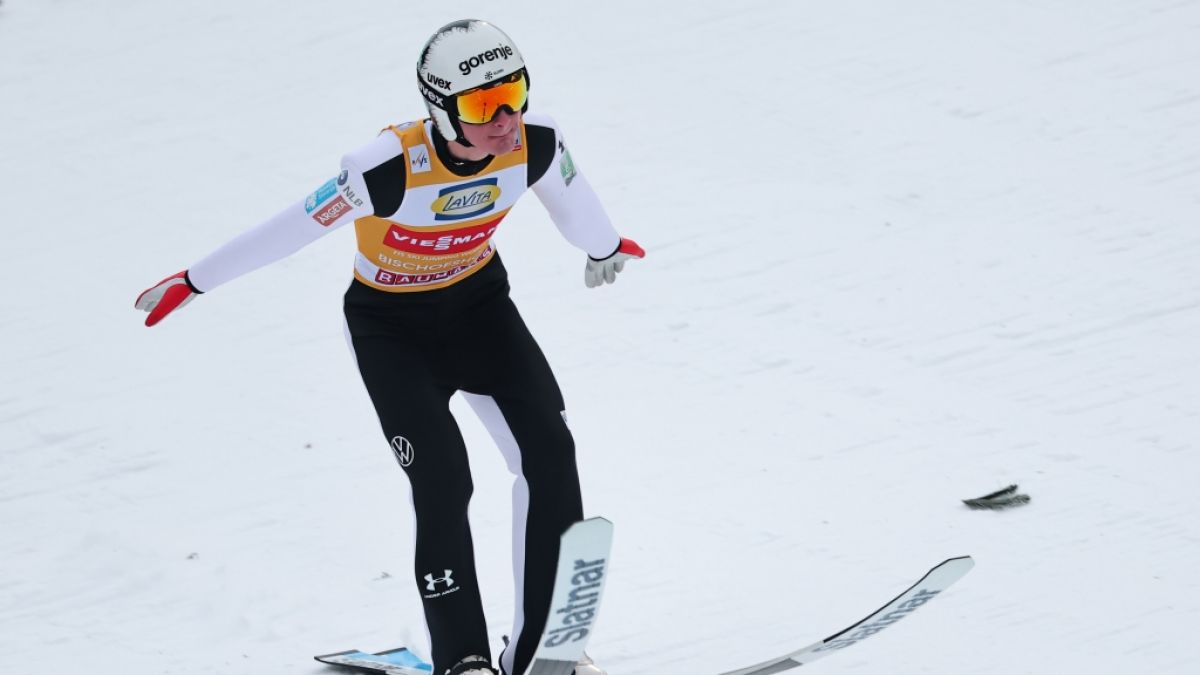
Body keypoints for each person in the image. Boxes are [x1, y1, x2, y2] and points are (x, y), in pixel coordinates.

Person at [134, 19, 642, 675]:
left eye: (513, 92)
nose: (505, 118)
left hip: (480, 311)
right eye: (484, 105)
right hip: (391, 330)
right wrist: (195, 280)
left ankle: (543, 651)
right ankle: (464, 659)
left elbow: (573, 202)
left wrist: (603, 246)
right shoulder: (387, 168)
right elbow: (289, 229)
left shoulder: (536, 142)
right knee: (442, 476)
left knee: (550, 448)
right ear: (441, 107)